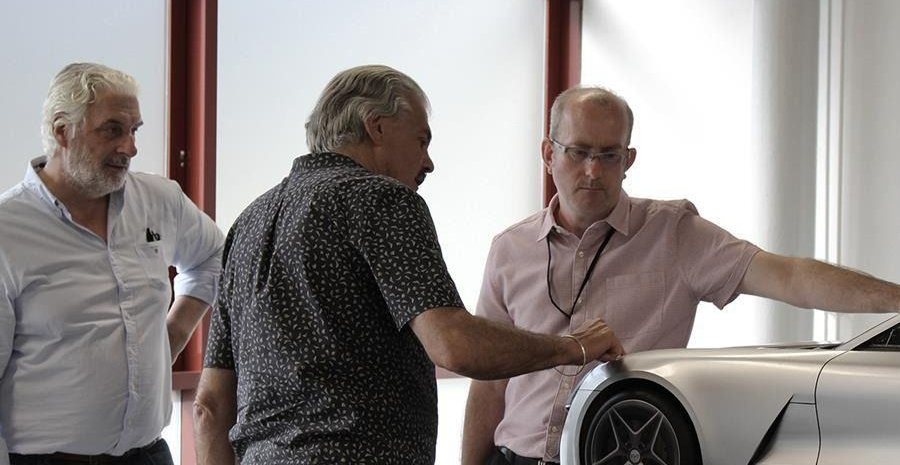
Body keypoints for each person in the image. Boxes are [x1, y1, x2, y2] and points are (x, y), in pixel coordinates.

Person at [462, 85, 900, 465]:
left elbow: (788, 276)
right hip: (514, 459)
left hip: (626, 456)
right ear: (548, 154)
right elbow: (488, 383)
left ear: (629, 161)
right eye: (578, 151)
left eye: (609, 155)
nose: (592, 170)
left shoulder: (674, 233)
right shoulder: (510, 249)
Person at [193, 65, 625, 464]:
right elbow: (454, 345)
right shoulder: (382, 200)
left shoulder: (248, 223)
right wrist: (573, 347)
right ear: (377, 127)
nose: (428, 163)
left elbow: (210, 406)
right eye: (421, 140)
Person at [0, 63, 225, 465]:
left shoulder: (158, 199)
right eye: (112, 129)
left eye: (134, 130)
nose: (130, 147)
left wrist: (172, 335)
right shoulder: (8, 230)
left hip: (148, 454)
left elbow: (215, 258)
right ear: (61, 130)